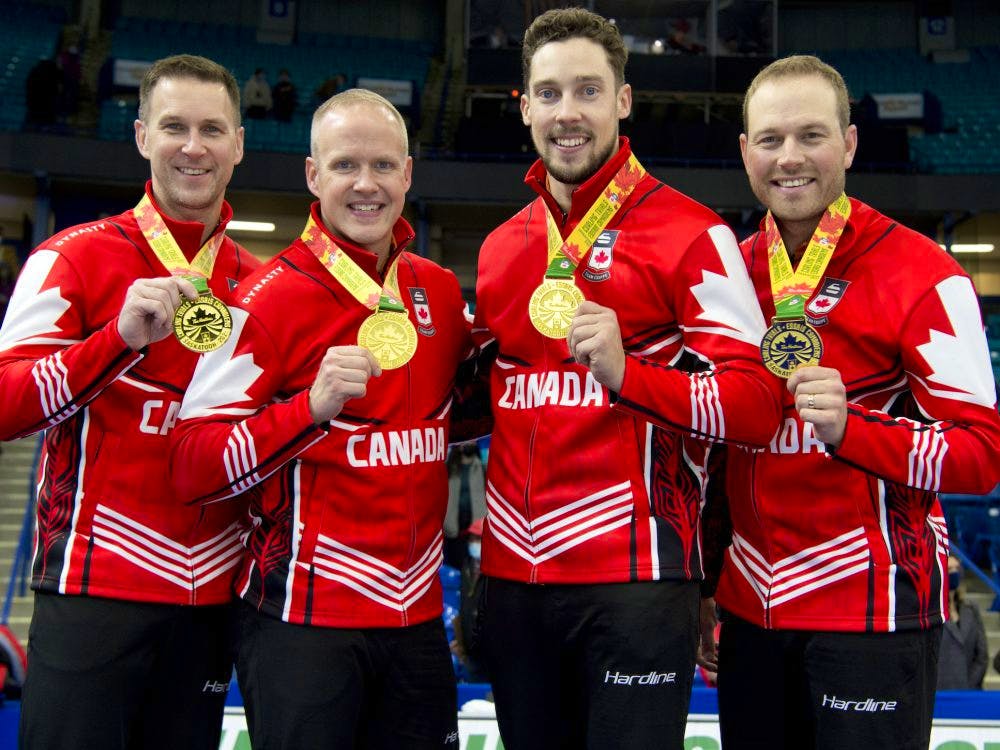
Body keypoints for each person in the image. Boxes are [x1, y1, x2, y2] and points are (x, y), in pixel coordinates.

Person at [471, 8, 783, 749]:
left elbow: (758, 406)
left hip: (636, 578)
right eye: (547, 93)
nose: (566, 112)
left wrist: (631, 374)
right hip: (515, 582)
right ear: (523, 108)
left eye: (587, 90)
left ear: (623, 100)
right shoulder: (498, 248)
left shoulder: (692, 234)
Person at [698, 55, 1000, 750]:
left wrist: (853, 429)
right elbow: (714, 451)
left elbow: (981, 456)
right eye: (770, 140)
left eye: (812, 136)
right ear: (745, 152)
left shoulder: (926, 274)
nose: (790, 158)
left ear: (851, 143)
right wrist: (704, 582)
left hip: (872, 614)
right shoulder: (727, 279)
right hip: (750, 612)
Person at [168, 89, 474, 749]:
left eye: (384, 166)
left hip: (417, 619)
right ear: (313, 175)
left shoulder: (440, 292)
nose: (366, 185)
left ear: (409, 173)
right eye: (344, 166)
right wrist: (307, 411)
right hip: (302, 619)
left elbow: (463, 411)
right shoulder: (263, 302)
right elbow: (190, 464)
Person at [0, 54, 258, 750]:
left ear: (238, 144)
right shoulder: (71, 257)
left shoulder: (265, 288)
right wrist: (114, 340)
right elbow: (4, 406)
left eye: (212, 129)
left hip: (208, 604)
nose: (194, 146)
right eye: (175, 126)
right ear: (143, 136)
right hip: (93, 592)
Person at [937, 555, 988, 690]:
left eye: (957, 569)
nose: (954, 573)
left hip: (968, 689)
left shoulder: (971, 608)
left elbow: (981, 655)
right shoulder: (931, 610)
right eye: (949, 569)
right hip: (940, 690)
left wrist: (969, 685)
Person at [443, 441, 486, 568]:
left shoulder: (482, 467)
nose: (469, 443)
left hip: (476, 529)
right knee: (456, 567)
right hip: (454, 529)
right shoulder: (449, 468)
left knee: (476, 568)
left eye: (472, 441)